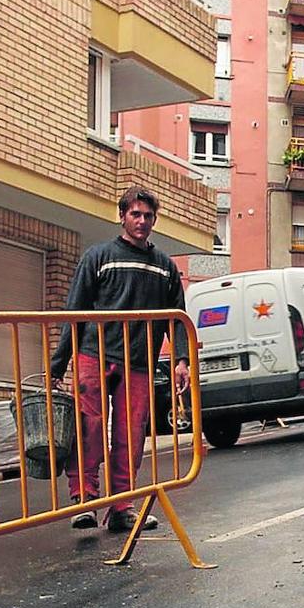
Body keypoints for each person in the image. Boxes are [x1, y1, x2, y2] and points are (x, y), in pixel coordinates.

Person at [50, 186, 191, 533]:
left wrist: (182, 360)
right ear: (122, 216)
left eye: (148, 216)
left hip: (140, 363)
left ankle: (122, 507)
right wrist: (58, 362)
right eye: (135, 214)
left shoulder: (165, 267)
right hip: (94, 356)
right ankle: (85, 500)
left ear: (155, 220)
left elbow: (177, 318)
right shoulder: (98, 257)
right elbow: (76, 311)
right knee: (90, 428)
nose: (142, 221)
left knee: (130, 436)